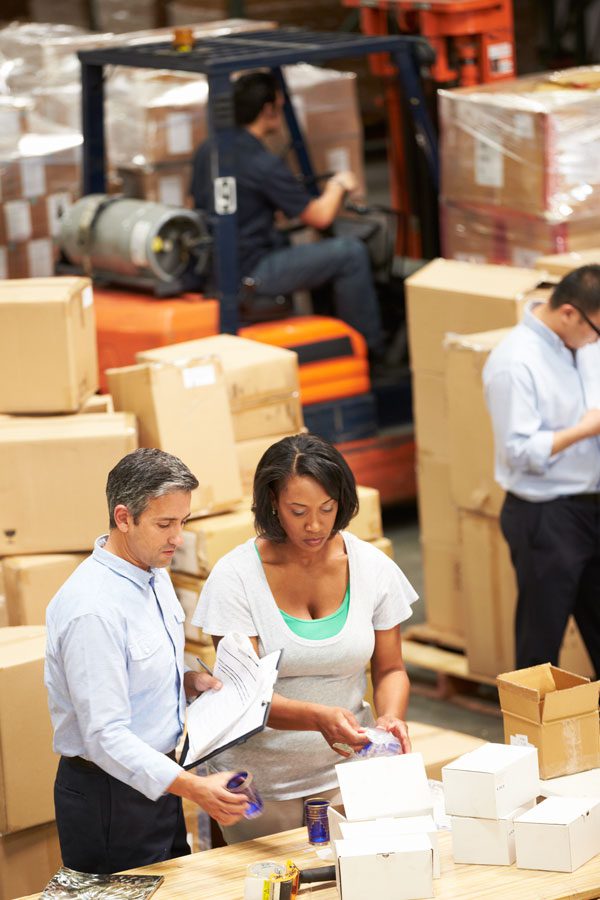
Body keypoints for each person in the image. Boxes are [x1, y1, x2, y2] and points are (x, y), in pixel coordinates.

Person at [192, 432, 417, 843]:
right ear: (273, 505)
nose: (315, 525)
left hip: (348, 775)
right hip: (260, 788)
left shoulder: (371, 568)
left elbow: (390, 669)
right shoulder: (236, 577)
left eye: (326, 509)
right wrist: (317, 718)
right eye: (298, 511)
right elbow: (241, 698)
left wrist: (390, 717)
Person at [44, 448, 248, 874]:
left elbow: (136, 665)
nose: (178, 537)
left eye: (183, 522)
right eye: (165, 524)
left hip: (157, 780)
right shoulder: (93, 609)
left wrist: (184, 682)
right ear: (123, 517)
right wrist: (195, 788)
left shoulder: (153, 570)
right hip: (110, 798)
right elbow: (104, 735)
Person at [190, 70, 386, 364]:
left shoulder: (210, 149)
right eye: (280, 106)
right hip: (253, 272)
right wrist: (339, 185)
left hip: (219, 266)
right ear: (268, 109)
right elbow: (319, 217)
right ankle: (369, 352)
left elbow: (203, 200)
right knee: (350, 253)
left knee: (301, 245)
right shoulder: (262, 163)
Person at [483, 264, 600, 678]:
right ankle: (529, 739)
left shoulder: (584, 345)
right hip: (546, 515)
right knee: (541, 644)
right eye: (596, 330)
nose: (596, 340)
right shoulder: (515, 362)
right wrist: (585, 429)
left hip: (591, 506)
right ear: (569, 313)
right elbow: (518, 451)